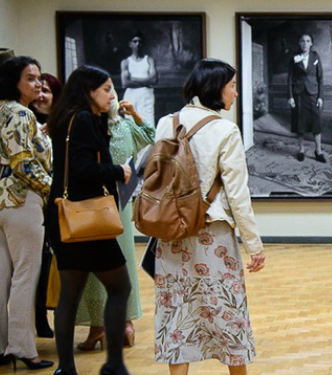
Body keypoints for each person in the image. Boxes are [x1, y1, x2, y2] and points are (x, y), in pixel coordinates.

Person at [154, 58, 266, 375]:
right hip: (210, 232)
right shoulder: (225, 130)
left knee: (177, 309)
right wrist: (254, 245)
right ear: (217, 89)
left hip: (170, 231)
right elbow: (238, 194)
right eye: (232, 86)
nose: (236, 93)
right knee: (226, 309)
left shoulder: (166, 122)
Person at [46, 65, 133, 375]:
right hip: (88, 217)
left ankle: (66, 369)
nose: (111, 95)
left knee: (70, 293)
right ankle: (113, 365)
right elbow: (83, 167)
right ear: (89, 91)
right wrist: (118, 172)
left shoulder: (65, 116)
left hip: (64, 215)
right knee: (120, 287)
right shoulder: (83, 119)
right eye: (106, 89)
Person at [75, 88, 155, 350]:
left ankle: (114, 325)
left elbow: (151, 137)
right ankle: (110, 326)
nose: (110, 97)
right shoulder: (100, 126)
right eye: (105, 92)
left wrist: (133, 113)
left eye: (112, 92)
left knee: (111, 263)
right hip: (103, 203)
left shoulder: (117, 126)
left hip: (106, 203)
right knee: (107, 263)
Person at [0, 56, 53, 370]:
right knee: (25, 276)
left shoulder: (2, 110)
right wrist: (53, 189)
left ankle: (4, 345)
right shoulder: (21, 113)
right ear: (14, 81)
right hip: (22, 200)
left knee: (2, 277)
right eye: (31, 78)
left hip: (2, 200)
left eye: (39, 78)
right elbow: (24, 163)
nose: (38, 84)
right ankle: (22, 347)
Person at [31, 72, 63, 339]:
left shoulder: (62, 125)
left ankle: (51, 312)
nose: (40, 95)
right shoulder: (27, 124)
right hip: (34, 200)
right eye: (36, 89)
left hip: (56, 203)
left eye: (46, 91)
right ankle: (39, 316)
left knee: (52, 262)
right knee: (36, 263)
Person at [287, 33, 326, 163]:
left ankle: (318, 151)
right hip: (298, 94)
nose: (305, 43)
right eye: (302, 41)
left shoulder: (315, 57)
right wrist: (290, 96)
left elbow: (320, 78)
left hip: (313, 94)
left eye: (308, 41)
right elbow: (290, 79)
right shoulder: (294, 58)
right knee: (300, 123)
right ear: (299, 43)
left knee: (316, 123)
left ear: (311, 44)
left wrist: (320, 97)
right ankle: (301, 150)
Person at [120, 30, 157, 126]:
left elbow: (154, 80)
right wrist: (146, 82)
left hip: (146, 96)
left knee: (148, 125)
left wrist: (134, 79)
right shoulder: (126, 62)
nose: (138, 44)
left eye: (140, 41)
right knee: (131, 126)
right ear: (130, 44)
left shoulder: (149, 60)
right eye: (135, 41)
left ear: (143, 44)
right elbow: (125, 83)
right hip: (130, 96)